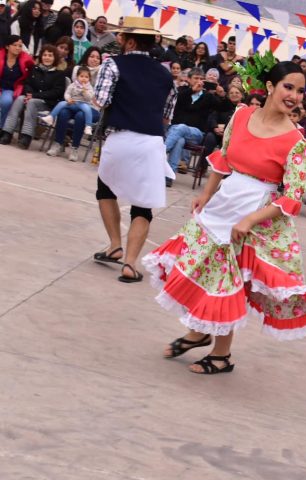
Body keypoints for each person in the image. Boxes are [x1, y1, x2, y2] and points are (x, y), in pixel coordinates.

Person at [142, 60, 306, 374]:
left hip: (256, 216)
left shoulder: (298, 143)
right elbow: (224, 158)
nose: (295, 96)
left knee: (230, 283)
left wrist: (251, 220)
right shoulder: (241, 115)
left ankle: (220, 354)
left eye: (300, 91)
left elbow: (292, 197)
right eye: (288, 86)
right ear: (270, 86)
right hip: (223, 204)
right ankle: (199, 332)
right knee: (206, 273)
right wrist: (206, 193)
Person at [89, 17, 176, 283]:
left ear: (131, 41)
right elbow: (166, 116)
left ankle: (115, 244)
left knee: (105, 189)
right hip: (150, 142)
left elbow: (100, 101)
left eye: (123, 37)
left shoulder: (112, 64)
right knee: (142, 207)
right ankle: (130, 263)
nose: (119, 40)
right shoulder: (165, 74)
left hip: (120, 138)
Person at [0, 43, 63, 149]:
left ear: (55, 58)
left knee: (32, 102)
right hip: (31, 98)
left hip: (47, 103)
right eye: (45, 55)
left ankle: (26, 136)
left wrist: (34, 96)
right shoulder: (35, 69)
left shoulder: (59, 74)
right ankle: (7, 132)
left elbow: (56, 92)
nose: (47, 57)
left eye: (50, 55)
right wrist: (29, 94)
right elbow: (27, 83)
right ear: (41, 56)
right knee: (19, 99)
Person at [165, 67, 220, 181]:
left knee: (181, 128)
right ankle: (169, 177)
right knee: (179, 140)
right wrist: (191, 91)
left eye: (201, 79)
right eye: (195, 78)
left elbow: (223, 107)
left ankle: (159, 153)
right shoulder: (182, 91)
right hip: (177, 131)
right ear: (189, 79)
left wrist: (221, 94)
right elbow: (176, 100)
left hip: (196, 133)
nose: (198, 81)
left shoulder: (208, 96)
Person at [41, 64, 94, 139]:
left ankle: (88, 126)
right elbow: (67, 93)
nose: (84, 79)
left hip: (82, 103)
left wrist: (85, 91)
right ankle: (51, 117)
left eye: (86, 77)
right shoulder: (73, 85)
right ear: (77, 77)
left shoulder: (89, 87)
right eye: (81, 76)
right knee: (61, 103)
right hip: (72, 102)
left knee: (87, 109)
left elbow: (89, 98)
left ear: (89, 78)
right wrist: (68, 99)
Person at [199, 83, 243, 171]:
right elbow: (213, 117)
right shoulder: (222, 104)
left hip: (232, 135)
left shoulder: (244, 108)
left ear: (242, 95)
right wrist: (215, 127)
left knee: (227, 144)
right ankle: (201, 167)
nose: (234, 95)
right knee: (209, 138)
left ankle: (224, 171)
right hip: (218, 132)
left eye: (237, 93)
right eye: (231, 93)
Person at [0, 35, 33, 128]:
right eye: (15, 45)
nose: (18, 48)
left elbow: (31, 74)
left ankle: (2, 127)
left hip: (11, 89)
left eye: (20, 46)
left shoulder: (26, 60)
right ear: (7, 46)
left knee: (6, 102)